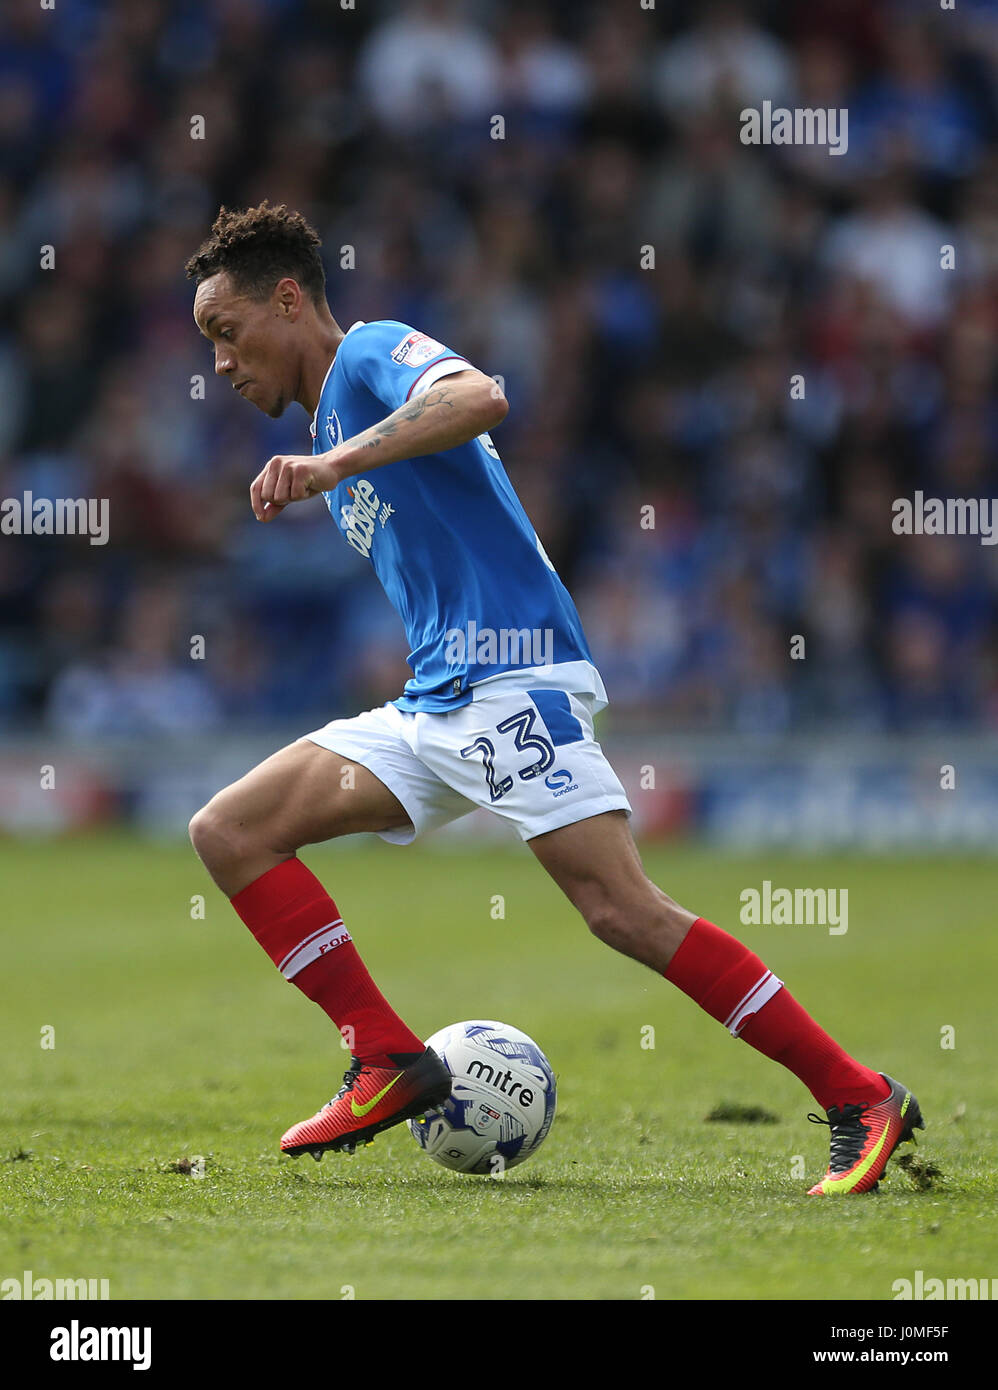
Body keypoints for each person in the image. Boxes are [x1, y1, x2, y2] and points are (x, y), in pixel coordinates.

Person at [185, 202, 922, 1193]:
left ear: (287, 299)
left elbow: (478, 396)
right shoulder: (327, 412)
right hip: (437, 701)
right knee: (231, 830)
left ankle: (856, 1093)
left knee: (620, 909)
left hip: (510, 686)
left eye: (226, 333)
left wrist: (334, 463)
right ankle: (385, 1058)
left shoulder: (363, 357)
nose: (221, 363)